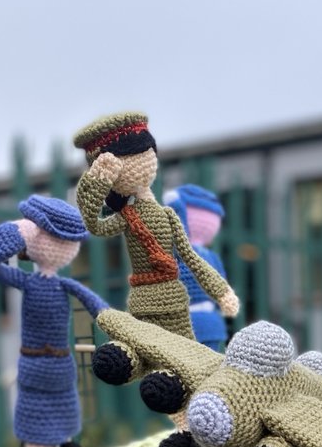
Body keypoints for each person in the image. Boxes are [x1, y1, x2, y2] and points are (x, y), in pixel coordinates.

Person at [73, 112, 239, 411]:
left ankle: (191, 425)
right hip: (143, 300)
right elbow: (94, 225)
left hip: (174, 300)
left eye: (146, 154)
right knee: (149, 359)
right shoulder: (125, 217)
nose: (144, 161)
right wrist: (96, 183)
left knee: (188, 363)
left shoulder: (167, 216)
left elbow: (191, 258)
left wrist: (221, 290)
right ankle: (125, 362)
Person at [0, 196, 108, 447]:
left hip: (61, 362)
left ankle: (62, 443)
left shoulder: (64, 284)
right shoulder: (28, 282)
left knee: (64, 400)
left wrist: (110, 319)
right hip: (35, 360)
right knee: (34, 404)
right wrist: (19, 233)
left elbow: (96, 306)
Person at [163, 184, 232, 351]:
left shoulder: (178, 251)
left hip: (188, 322)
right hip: (209, 321)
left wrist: (175, 204)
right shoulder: (211, 257)